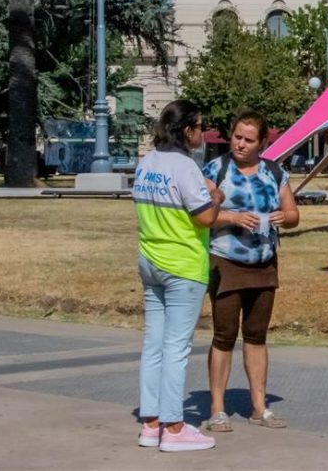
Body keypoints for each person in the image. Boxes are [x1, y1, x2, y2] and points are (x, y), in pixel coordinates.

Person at [133, 99, 223, 452]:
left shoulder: (147, 162)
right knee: (175, 347)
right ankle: (173, 426)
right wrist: (217, 197)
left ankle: (150, 422)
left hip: (150, 259)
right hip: (183, 264)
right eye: (200, 127)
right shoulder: (185, 167)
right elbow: (205, 217)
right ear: (187, 131)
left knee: (153, 344)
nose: (202, 132)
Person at [201, 110, 300, 433]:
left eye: (248, 140)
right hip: (226, 262)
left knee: (257, 336)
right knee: (224, 335)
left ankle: (260, 408)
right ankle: (218, 409)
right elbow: (201, 215)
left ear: (262, 143)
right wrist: (232, 218)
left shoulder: (274, 172)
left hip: (263, 262)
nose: (240, 144)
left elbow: (293, 212)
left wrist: (284, 217)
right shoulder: (216, 169)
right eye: (237, 137)